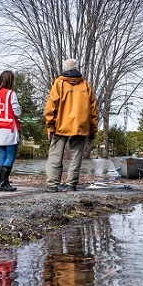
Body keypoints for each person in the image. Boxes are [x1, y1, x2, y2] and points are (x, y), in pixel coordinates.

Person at [44, 58, 99, 192]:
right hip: (81, 126)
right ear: (77, 68)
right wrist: (93, 129)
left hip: (61, 126)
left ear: (64, 69)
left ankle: (52, 184)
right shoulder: (85, 85)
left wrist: (50, 126)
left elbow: (51, 107)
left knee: (55, 156)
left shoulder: (59, 83)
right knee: (76, 157)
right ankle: (71, 184)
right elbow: (93, 110)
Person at [0, 70, 22, 192]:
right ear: (11, 80)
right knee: (11, 155)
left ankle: (2, 182)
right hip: (9, 128)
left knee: (2, 154)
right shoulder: (11, 93)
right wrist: (20, 111)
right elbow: (16, 111)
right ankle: (3, 183)